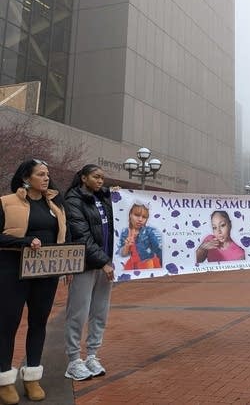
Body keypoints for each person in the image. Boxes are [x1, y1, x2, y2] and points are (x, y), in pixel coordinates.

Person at [0, 159, 68, 404]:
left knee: (39, 323)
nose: (46, 178)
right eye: (41, 174)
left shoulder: (56, 205)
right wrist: (24, 241)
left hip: (45, 274)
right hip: (12, 273)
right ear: (26, 178)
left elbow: (65, 237)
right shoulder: (6, 202)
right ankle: (5, 380)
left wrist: (68, 262)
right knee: (8, 325)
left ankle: (32, 377)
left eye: (47, 174)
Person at [63, 164, 115, 381]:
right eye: (96, 177)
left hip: (106, 265)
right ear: (84, 178)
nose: (100, 181)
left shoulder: (104, 199)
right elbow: (81, 236)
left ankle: (92, 355)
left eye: (103, 178)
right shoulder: (73, 200)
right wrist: (103, 261)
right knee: (78, 312)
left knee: (100, 312)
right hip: (85, 265)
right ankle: (74, 360)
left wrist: (118, 196)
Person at [117, 202, 162, 269]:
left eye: (144, 217)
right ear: (130, 215)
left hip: (148, 264)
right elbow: (122, 254)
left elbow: (158, 249)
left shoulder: (149, 232)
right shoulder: (124, 232)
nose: (140, 219)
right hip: (133, 265)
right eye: (137, 215)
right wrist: (127, 246)